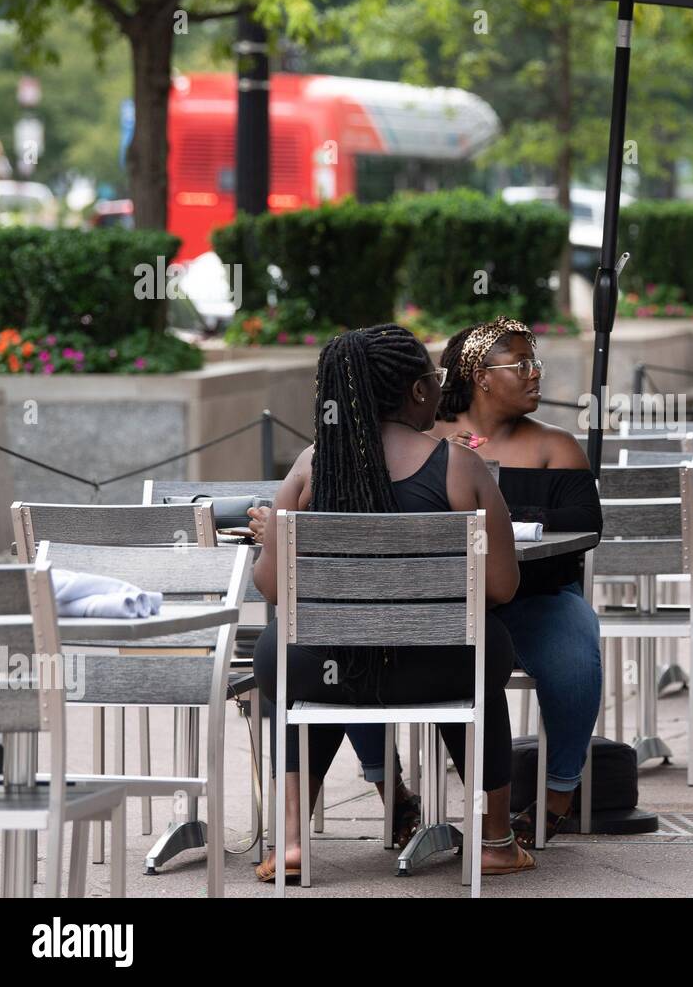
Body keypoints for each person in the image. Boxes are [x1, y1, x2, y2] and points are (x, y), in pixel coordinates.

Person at [249, 324, 534, 880]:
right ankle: (495, 842)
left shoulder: (310, 466)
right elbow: (502, 586)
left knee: (302, 649)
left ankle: (289, 843)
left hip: (325, 674)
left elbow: (270, 586)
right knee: (482, 649)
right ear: (419, 392)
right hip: (439, 670)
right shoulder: (460, 467)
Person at [431, 316, 603, 847]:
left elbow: (584, 524)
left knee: (576, 659)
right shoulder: (430, 441)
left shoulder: (556, 445)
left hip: (538, 593)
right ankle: (398, 798)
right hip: (450, 598)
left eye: (536, 363)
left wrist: (482, 494)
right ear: (481, 376)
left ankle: (558, 791)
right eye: (520, 364)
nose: (535, 375)